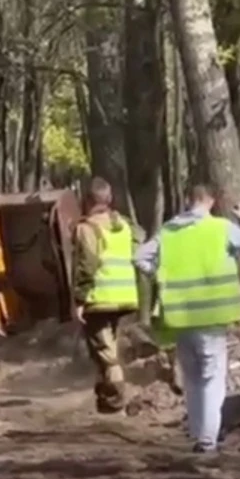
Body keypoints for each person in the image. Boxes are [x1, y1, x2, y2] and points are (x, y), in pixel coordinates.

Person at [135, 184, 240, 453]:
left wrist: (158, 275)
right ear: (211, 201)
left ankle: (197, 433)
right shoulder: (221, 228)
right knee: (211, 379)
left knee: (193, 379)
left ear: (189, 200)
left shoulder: (169, 231)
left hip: (181, 318)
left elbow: (139, 257)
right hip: (211, 320)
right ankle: (207, 440)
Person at [72, 177, 142, 414]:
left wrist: (80, 299)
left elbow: (87, 264)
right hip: (125, 296)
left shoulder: (88, 228)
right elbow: (139, 243)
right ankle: (107, 397)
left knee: (104, 350)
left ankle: (116, 399)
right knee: (108, 345)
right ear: (109, 199)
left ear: (88, 200)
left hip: (100, 298)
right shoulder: (124, 225)